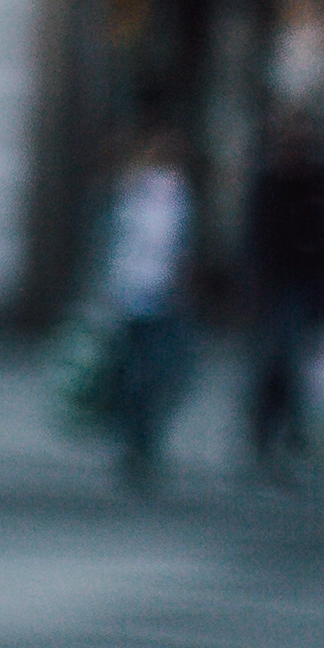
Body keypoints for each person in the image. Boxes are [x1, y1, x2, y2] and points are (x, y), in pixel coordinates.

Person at [236, 105, 324, 481]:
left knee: (300, 366)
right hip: (277, 285)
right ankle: (269, 438)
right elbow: (258, 239)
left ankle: (287, 437)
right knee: (277, 362)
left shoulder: (321, 181)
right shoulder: (270, 183)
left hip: (309, 284)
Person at [94, 124, 198, 492]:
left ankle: (141, 439)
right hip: (135, 293)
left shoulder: (174, 195)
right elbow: (116, 244)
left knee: (158, 371)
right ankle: (135, 441)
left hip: (157, 295)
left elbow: (180, 247)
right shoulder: (134, 193)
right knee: (139, 372)